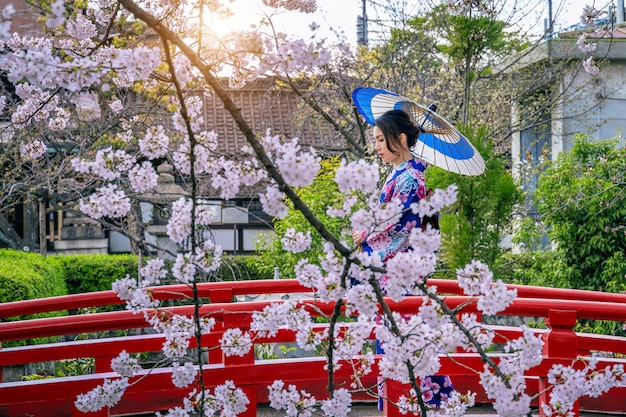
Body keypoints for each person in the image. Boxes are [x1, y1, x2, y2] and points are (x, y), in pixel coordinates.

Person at [352, 109, 453, 410]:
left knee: (406, 343)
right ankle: (415, 406)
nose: (378, 147)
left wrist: (366, 235)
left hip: (400, 272)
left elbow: (400, 227)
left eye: (382, 140)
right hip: (394, 273)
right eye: (376, 140)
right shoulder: (401, 173)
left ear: (403, 138)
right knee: (401, 343)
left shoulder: (410, 177)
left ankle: (420, 406)